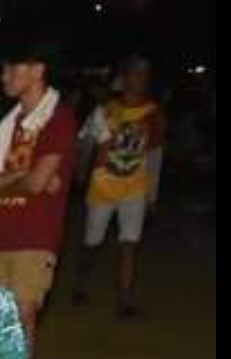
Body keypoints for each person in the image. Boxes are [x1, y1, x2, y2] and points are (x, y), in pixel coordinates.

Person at [0, 40, 77, 353]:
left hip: (35, 236)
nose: (4, 76)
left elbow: (36, 184)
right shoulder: (9, 124)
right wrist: (22, 175)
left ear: (38, 71)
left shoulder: (58, 119)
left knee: (22, 318)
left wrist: (14, 180)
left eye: (12, 67)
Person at [73, 56, 164, 317]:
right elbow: (86, 141)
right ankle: (81, 281)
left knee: (129, 244)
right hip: (103, 186)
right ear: (124, 77)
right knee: (92, 243)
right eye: (136, 73)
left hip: (134, 186)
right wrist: (81, 171)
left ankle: (125, 300)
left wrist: (152, 195)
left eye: (145, 74)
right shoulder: (105, 110)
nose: (140, 79)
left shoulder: (153, 114)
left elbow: (156, 155)